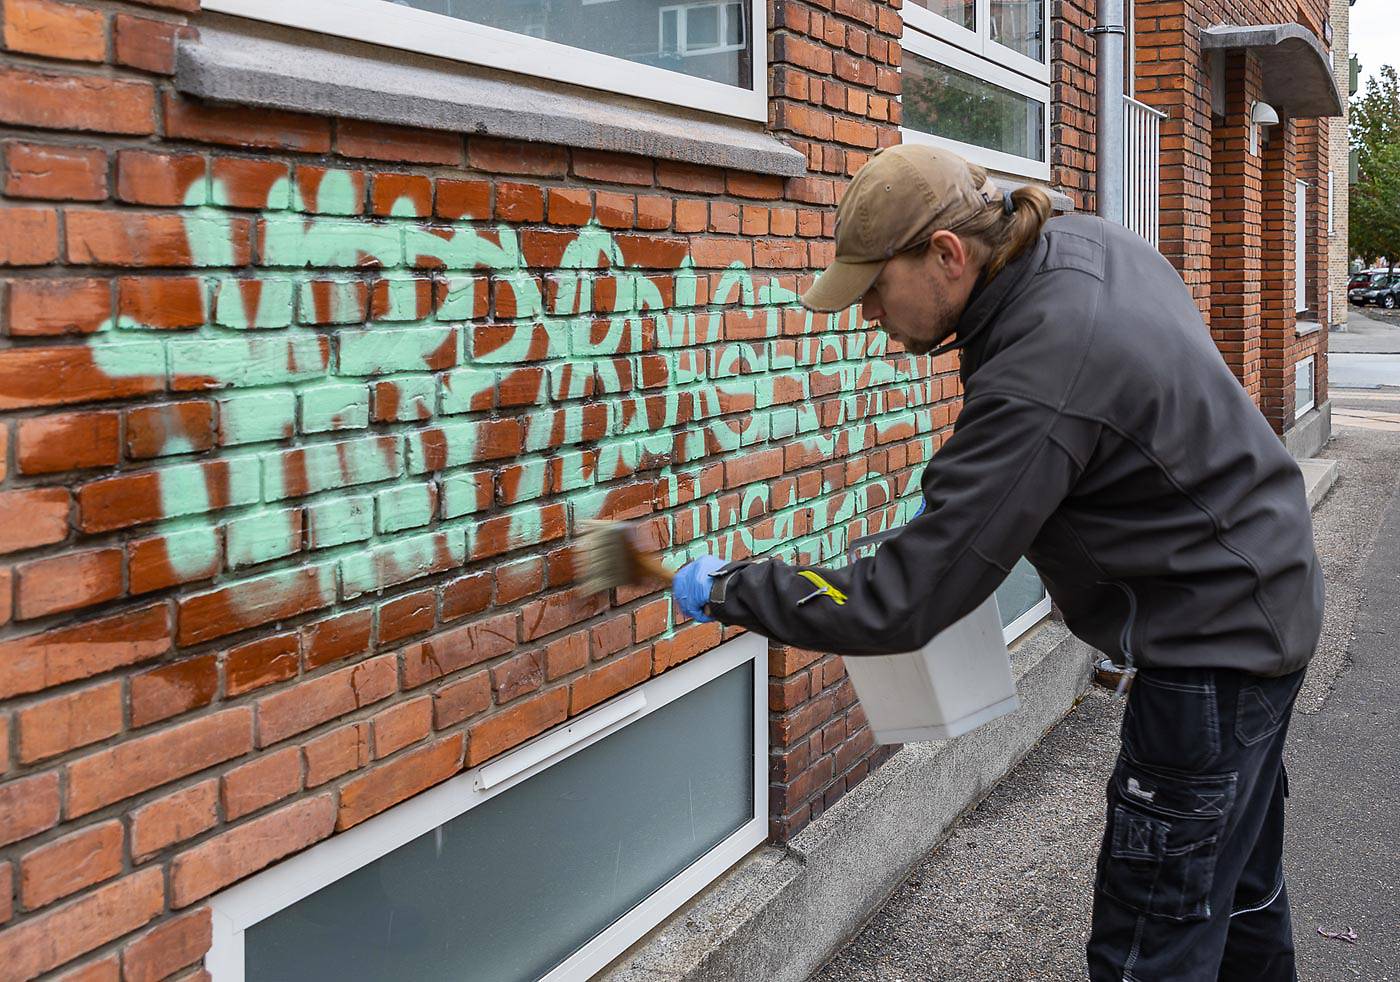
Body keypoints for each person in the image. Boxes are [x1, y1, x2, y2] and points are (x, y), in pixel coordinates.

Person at [670, 145, 1322, 981]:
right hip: (1267, 597)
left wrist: (730, 587)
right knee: (1236, 903)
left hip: (1211, 652)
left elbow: (899, 602)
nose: (869, 313)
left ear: (947, 254)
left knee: (1148, 950)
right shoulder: (1085, 245)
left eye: (874, 288)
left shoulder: (1042, 367)